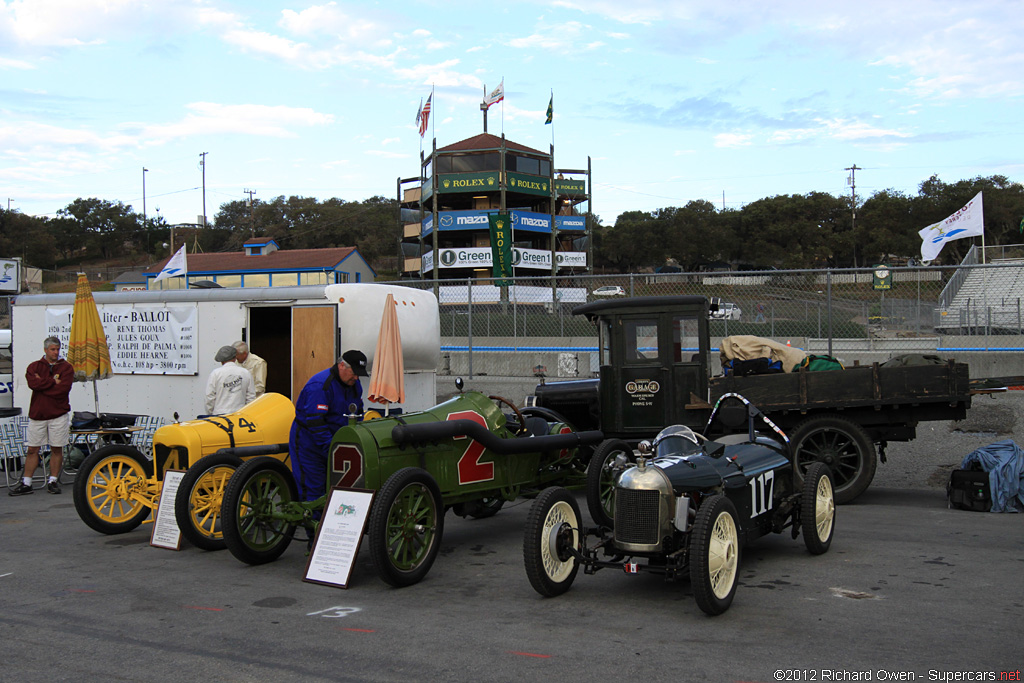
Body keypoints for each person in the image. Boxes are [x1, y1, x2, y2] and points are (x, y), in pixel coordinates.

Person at [290, 350, 367, 502]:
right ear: (342, 366)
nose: (356, 377)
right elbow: (315, 422)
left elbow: (357, 411)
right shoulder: (320, 385)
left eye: (359, 374)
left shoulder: (354, 384)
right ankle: (311, 524)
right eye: (354, 373)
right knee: (313, 488)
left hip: (336, 441)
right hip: (310, 443)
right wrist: (331, 448)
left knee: (336, 485)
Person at [11, 336, 74, 495]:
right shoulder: (34, 366)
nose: (56, 352)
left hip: (58, 414)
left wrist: (43, 384)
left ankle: (53, 481)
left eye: (58, 349)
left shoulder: (66, 368)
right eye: (53, 349)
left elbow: (63, 390)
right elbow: (33, 384)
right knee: (33, 449)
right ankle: (27, 483)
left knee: (56, 448)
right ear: (45, 350)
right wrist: (52, 381)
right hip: (38, 414)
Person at [205, 345, 255, 416]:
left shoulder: (215, 374)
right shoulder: (245, 373)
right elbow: (251, 397)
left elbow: (209, 397)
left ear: (221, 361)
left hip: (219, 414)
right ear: (235, 358)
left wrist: (210, 413)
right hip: (240, 414)